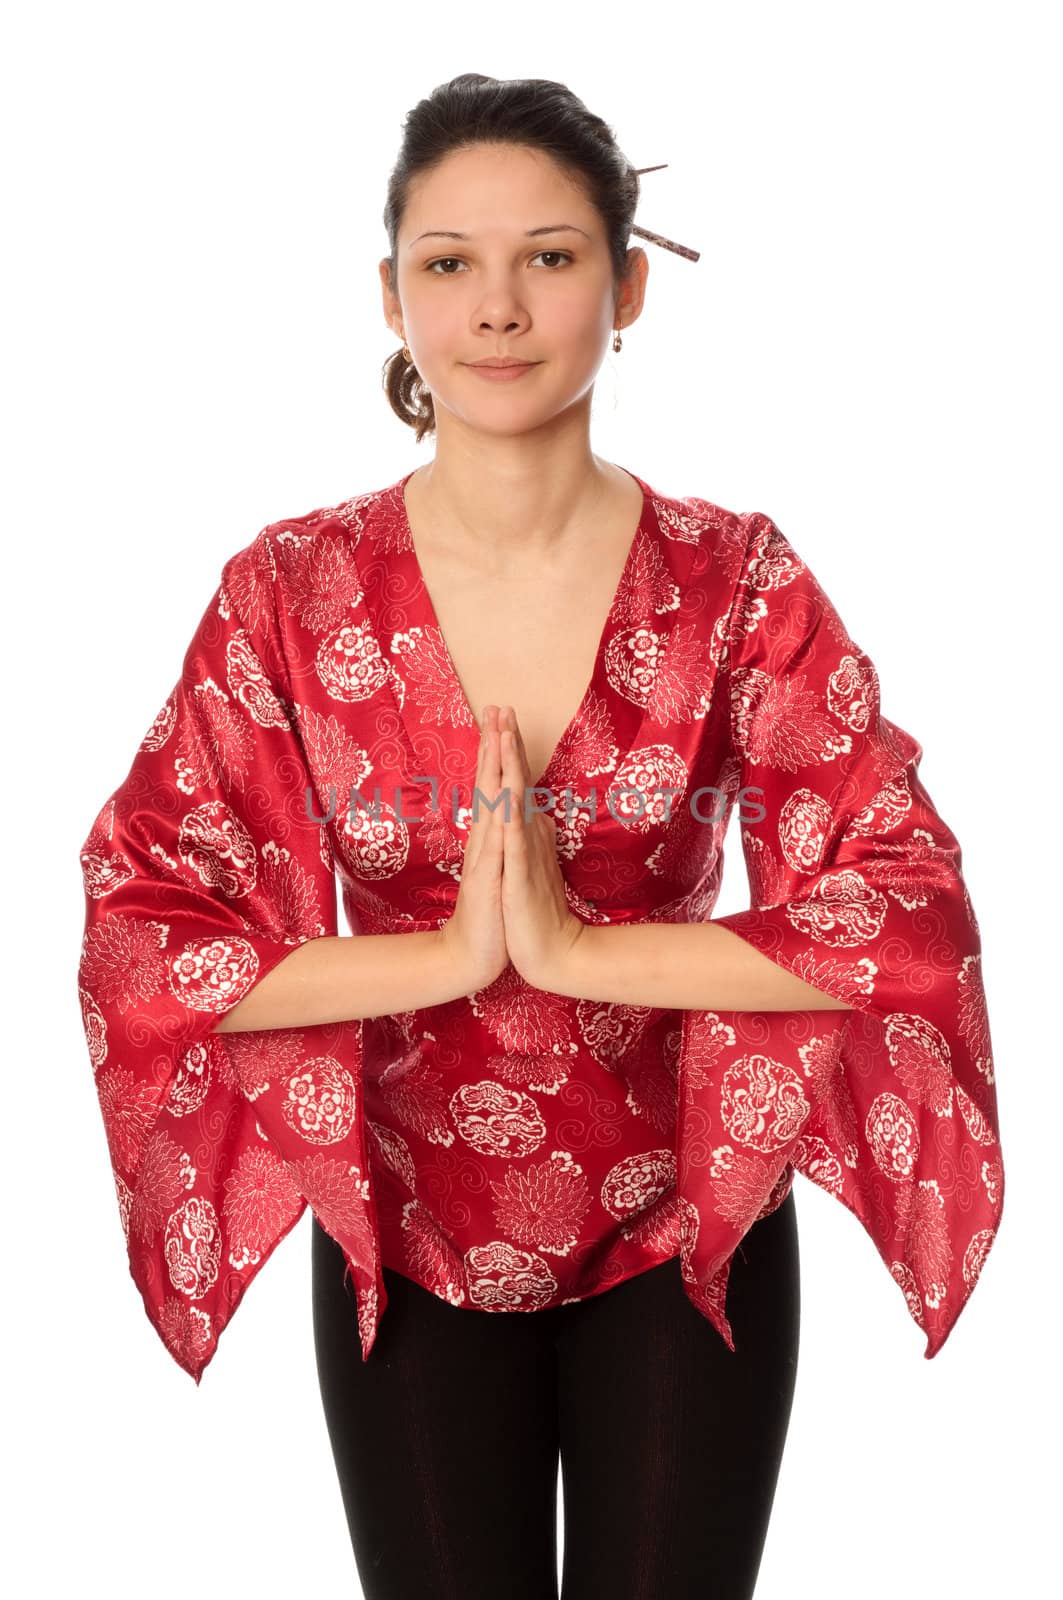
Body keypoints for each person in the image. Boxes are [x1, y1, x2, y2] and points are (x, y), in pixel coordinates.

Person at [77, 72, 1003, 1600]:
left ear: (629, 285)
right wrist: (450, 955)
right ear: (391, 295)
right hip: (408, 1232)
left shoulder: (739, 580)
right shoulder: (290, 591)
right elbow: (143, 933)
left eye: (550, 257)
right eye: (449, 262)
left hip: (685, 1230)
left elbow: (906, 906)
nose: (497, 309)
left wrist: (579, 947)